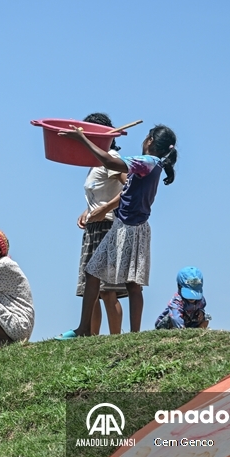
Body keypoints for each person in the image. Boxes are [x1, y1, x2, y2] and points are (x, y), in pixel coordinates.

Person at [57, 124, 178, 338]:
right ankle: (101, 330)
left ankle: (105, 331)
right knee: (116, 279)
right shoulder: (155, 165)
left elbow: (110, 161)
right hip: (131, 226)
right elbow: (127, 193)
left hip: (128, 228)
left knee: (111, 278)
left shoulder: (146, 162)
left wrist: (83, 139)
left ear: (149, 141)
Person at [77, 113, 128, 335]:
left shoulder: (111, 157)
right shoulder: (94, 162)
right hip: (93, 228)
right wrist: (88, 210)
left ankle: (115, 338)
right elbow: (102, 194)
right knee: (92, 291)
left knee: (108, 289)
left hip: (107, 227)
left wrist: (105, 209)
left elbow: (129, 189)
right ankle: (91, 337)